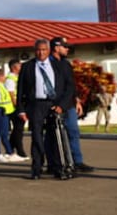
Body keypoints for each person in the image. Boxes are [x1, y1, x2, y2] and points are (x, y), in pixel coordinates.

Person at [16, 38, 75, 180]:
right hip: (36, 105)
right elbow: (21, 90)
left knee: (55, 138)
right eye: (38, 50)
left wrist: (62, 105)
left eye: (44, 50)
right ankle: (36, 168)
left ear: (49, 51)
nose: (41, 53)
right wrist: (21, 110)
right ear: (34, 51)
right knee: (37, 137)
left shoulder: (59, 66)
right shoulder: (28, 67)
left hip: (54, 105)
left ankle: (57, 168)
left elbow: (70, 87)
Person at [50, 38, 94, 173]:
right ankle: (57, 164)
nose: (67, 49)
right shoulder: (47, 64)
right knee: (55, 136)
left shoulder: (66, 64)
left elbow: (71, 84)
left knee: (73, 132)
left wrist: (77, 100)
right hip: (55, 104)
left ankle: (77, 161)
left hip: (69, 104)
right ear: (56, 47)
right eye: (65, 47)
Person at [4, 59, 28, 160]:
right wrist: (19, 108)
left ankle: (9, 150)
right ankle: (20, 152)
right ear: (14, 67)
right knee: (18, 130)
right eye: (19, 66)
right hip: (14, 108)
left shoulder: (16, 78)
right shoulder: (10, 79)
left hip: (18, 106)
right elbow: (12, 95)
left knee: (17, 130)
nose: (21, 68)